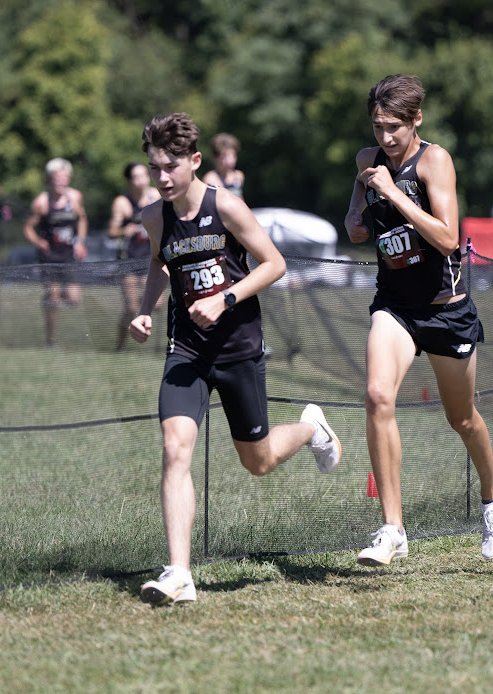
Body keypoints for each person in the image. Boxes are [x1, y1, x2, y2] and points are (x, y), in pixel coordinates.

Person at [131, 113, 341, 605]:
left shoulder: (225, 205)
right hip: (187, 350)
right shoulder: (153, 217)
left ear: (194, 161)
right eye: (154, 167)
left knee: (258, 461)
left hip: (238, 348)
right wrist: (144, 310)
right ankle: (179, 573)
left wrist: (224, 299)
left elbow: (275, 264)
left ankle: (311, 428)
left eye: (170, 166)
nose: (162, 177)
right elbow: (159, 262)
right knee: (175, 448)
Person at [344, 74, 493, 566]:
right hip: (394, 305)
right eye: (377, 127)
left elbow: (447, 238)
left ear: (416, 119)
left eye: (394, 127)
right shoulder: (367, 160)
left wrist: (393, 194)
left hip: (444, 309)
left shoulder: (434, 160)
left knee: (461, 418)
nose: (385, 137)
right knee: (378, 396)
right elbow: (355, 219)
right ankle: (392, 528)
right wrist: (356, 216)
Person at [22, 158, 88, 347]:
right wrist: (38, 241)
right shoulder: (41, 202)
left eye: (65, 178)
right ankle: (51, 340)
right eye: (57, 178)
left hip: (69, 256)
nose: (61, 181)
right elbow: (27, 228)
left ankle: (51, 297)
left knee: (74, 299)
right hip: (49, 257)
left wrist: (80, 242)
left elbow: (82, 218)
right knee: (53, 298)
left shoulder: (75, 197)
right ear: (49, 179)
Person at [108, 162, 162, 351]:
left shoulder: (155, 196)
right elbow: (111, 232)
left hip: (151, 258)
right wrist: (124, 230)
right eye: (136, 177)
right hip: (128, 260)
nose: (141, 180)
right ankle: (120, 344)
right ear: (129, 181)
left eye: (144, 175)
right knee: (131, 307)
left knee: (158, 304)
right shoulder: (122, 203)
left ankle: (156, 342)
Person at [202, 132, 245, 199]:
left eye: (233, 156)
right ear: (215, 158)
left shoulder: (239, 176)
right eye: (224, 157)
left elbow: (241, 200)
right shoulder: (210, 179)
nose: (230, 161)